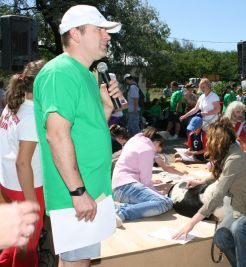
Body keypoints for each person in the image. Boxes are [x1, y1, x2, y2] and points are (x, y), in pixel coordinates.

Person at [33, 5, 122, 266]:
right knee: (75, 264)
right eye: (100, 30)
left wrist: (107, 107)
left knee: (81, 263)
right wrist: (77, 191)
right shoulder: (60, 73)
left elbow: (87, 132)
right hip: (78, 195)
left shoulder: (85, 74)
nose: (108, 36)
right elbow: (56, 136)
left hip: (93, 191)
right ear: (76, 33)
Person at [173, 118, 246, 266]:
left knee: (239, 228)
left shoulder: (235, 158)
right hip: (241, 210)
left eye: (210, 140)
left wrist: (191, 223)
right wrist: (201, 182)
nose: (208, 143)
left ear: (219, 141)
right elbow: (221, 176)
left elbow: (217, 197)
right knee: (221, 237)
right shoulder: (231, 152)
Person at [0, 60, 46, 267]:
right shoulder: (31, 116)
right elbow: (22, 163)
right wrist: (31, 203)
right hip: (26, 188)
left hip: (7, 184)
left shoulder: (12, 105)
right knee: (27, 248)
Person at [112, 127, 174, 222]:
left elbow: (132, 168)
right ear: (157, 142)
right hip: (125, 187)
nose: (156, 153)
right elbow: (146, 183)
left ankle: (119, 207)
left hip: (118, 188)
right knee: (165, 202)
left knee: (161, 201)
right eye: (157, 150)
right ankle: (121, 213)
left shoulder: (135, 140)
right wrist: (158, 194)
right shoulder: (147, 149)